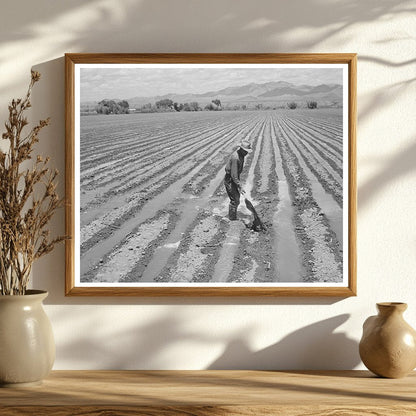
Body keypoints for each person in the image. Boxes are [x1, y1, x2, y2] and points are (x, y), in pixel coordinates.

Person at [224, 140, 252, 220]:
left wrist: (238, 185)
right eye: (246, 151)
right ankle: (232, 219)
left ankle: (233, 216)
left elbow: (236, 174)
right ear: (242, 149)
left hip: (234, 178)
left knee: (237, 197)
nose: (247, 153)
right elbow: (233, 175)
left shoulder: (241, 155)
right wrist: (240, 186)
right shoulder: (236, 158)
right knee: (235, 200)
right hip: (230, 179)